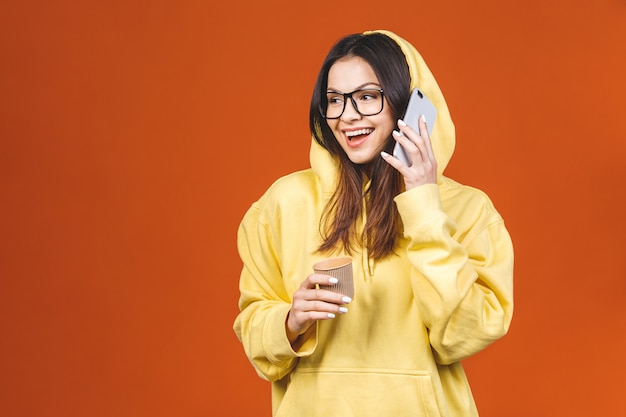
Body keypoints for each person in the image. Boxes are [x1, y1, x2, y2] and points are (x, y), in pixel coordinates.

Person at [233, 29, 514, 417]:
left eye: (367, 97)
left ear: (409, 103)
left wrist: (423, 205)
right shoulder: (283, 203)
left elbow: (463, 335)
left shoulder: (467, 209)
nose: (348, 116)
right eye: (334, 101)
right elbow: (254, 333)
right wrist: (290, 320)